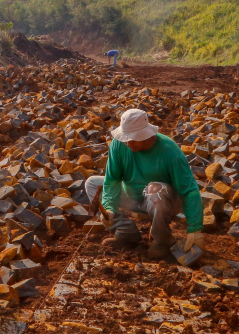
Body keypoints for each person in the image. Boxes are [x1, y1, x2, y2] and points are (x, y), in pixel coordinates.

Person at [85, 108, 204, 259]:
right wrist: (108, 208)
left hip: (165, 202)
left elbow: (189, 190)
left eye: (133, 138)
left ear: (146, 135)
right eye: (125, 137)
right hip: (133, 197)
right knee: (92, 183)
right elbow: (112, 180)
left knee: (153, 189)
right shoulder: (119, 145)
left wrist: (195, 228)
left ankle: (162, 240)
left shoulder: (170, 152)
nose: (128, 143)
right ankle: (126, 232)